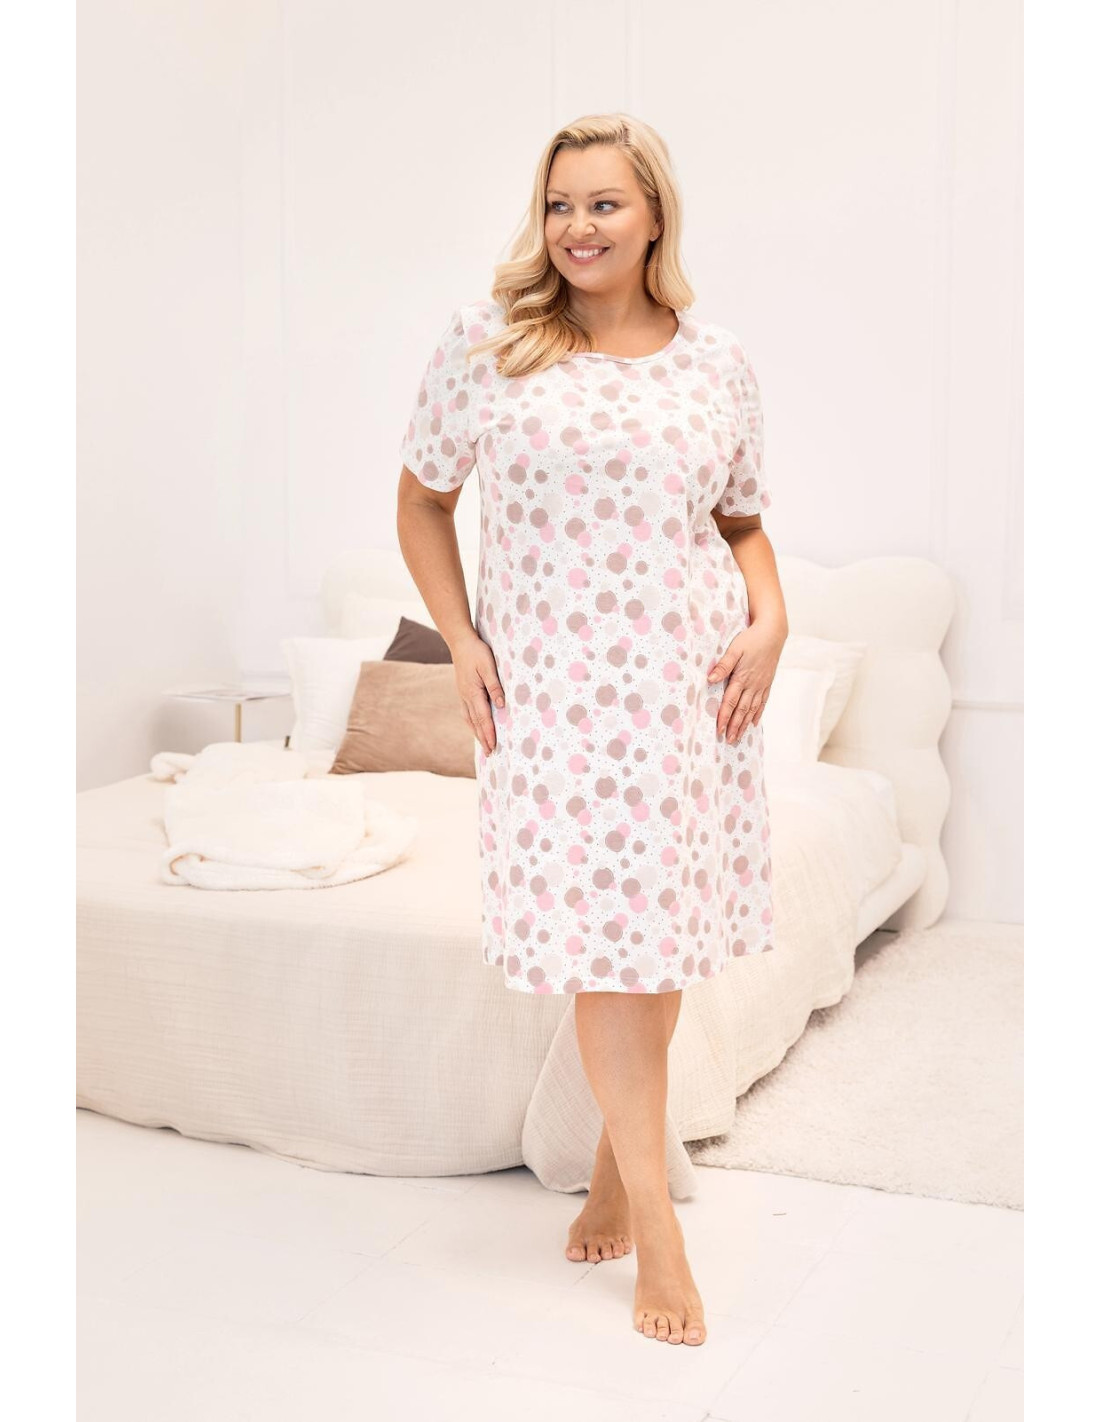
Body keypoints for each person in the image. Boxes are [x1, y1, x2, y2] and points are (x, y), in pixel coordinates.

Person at [396, 112, 788, 1348]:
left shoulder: (715, 363)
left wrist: (772, 619)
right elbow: (421, 503)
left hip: (684, 695)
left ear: (653, 214)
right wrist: (460, 639)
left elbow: (738, 522)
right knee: (604, 951)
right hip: (555, 703)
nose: (576, 226)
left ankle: (619, 1170)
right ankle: (657, 1228)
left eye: (603, 203)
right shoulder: (488, 343)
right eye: (559, 204)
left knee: (651, 944)